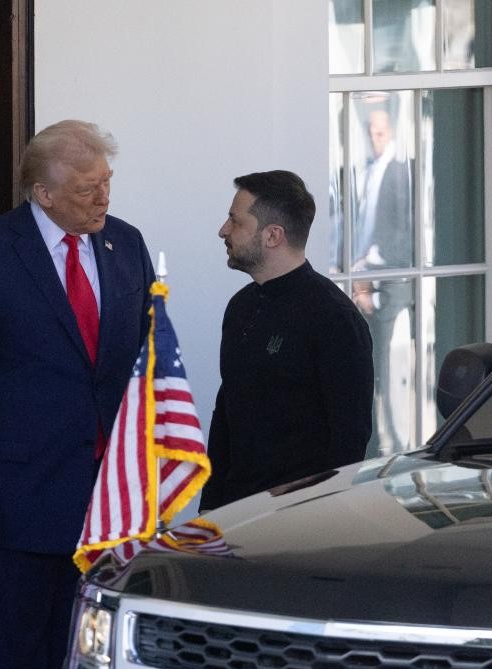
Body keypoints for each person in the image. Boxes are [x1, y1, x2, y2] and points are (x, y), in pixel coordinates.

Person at [0, 119, 154, 669]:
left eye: (106, 182)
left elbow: (146, 358)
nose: (102, 197)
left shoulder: (125, 243)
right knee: (19, 651)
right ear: (43, 193)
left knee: (96, 652)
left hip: (110, 504)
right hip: (16, 503)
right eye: (86, 189)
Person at [199, 170, 373, 510]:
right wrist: (210, 504)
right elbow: (227, 415)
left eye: (235, 221)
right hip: (233, 513)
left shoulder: (334, 318)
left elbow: (350, 439)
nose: (223, 230)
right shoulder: (241, 307)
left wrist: (316, 514)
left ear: (272, 235)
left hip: (298, 520)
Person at [351, 108, 414, 456]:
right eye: (370, 132)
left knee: (386, 376)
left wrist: (367, 267)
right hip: (366, 287)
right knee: (370, 374)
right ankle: (376, 444)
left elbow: (401, 237)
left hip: (387, 290)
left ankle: (392, 446)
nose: (374, 138)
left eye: (380, 132)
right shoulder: (370, 170)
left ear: (390, 132)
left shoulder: (399, 172)